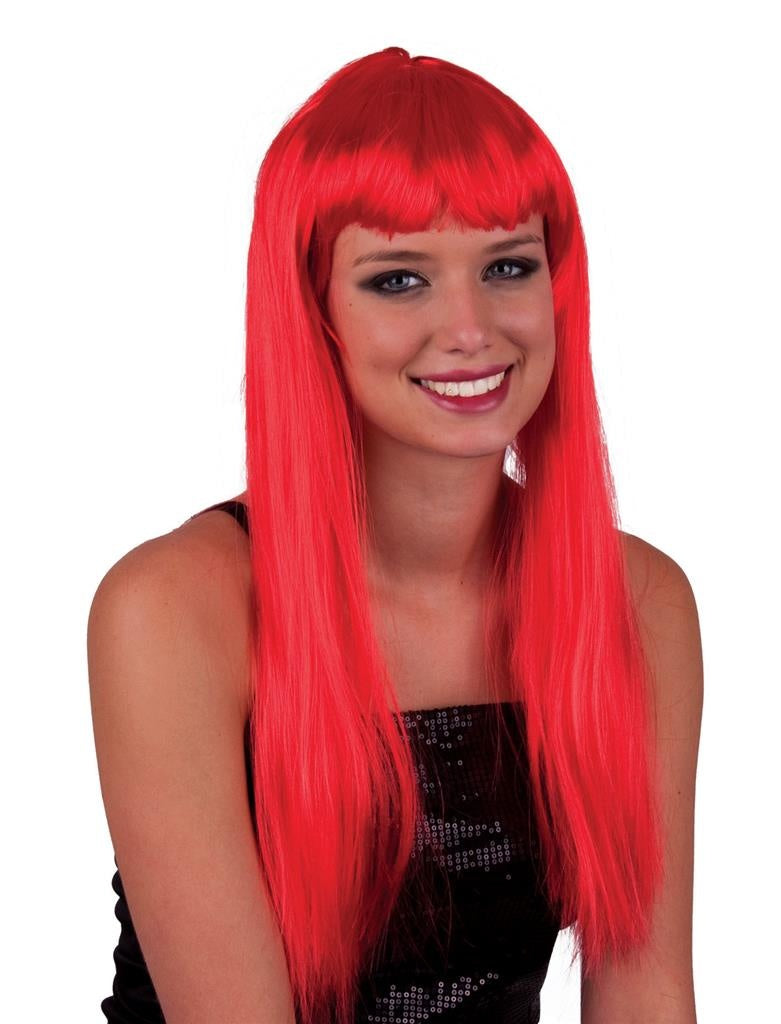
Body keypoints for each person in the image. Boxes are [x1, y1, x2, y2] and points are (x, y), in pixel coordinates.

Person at [88, 47, 703, 1024]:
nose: (469, 328)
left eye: (508, 266)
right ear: (314, 310)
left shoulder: (637, 602)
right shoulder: (172, 610)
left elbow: (646, 992)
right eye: (399, 279)